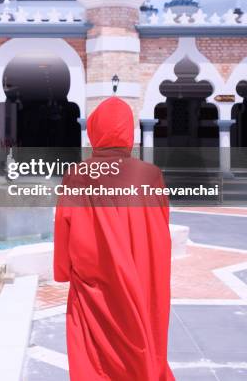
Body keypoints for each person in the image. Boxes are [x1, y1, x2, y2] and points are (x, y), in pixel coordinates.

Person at [54, 97, 174, 380]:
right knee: (143, 338)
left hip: (94, 286)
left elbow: (64, 228)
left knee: (93, 357)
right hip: (142, 276)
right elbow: (161, 227)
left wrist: (63, 271)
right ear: (128, 133)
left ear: (95, 131)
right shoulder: (150, 175)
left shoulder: (78, 176)